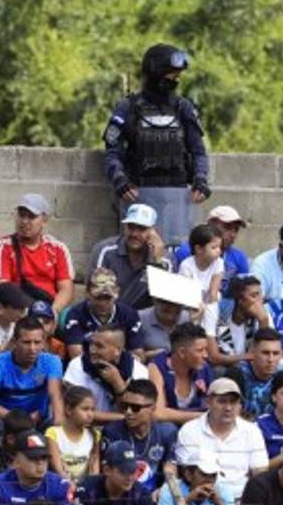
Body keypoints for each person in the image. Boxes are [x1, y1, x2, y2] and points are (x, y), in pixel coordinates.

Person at [103, 43, 209, 244]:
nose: (175, 81)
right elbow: (112, 150)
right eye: (171, 76)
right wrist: (119, 180)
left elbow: (198, 151)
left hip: (177, 199)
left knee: (176, 249)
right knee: (137, 248)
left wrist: (201, 179)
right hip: (138, 195)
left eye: (177, 77)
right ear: (156, 74)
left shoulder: (183, 108)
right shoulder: (128, 107)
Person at [174, 377, 269, 503]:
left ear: (240, 405)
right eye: (222, 401)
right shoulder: (189, 430)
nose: (228, 408)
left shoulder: (252, 431)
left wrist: (248, 503)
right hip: (201, 499)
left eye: (233, 402)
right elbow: (188, 474)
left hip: (241, 500)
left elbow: (259, 473)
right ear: (208, 402)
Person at [0, 316, 64, 434]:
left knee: (54, 414)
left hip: (38, 418)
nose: (32, 348)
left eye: (37, 342)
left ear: (44, 343)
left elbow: (55, 397)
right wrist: (22, 421)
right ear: (14, 342)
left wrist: (58, 426)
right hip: (7, 419)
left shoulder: (52, 361)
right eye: (26, 342)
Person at [0, 193, 75, 313]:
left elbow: (66, 289)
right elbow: (4, 289)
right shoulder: (4, 247)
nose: (24, 221)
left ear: (44, 220)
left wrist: (52, 312)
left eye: (31, 217)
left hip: (51, 307)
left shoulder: (58, 248)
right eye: (21, 215)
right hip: (18, 309)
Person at [88, 204, 172, 310]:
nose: (134, 234)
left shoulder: (166, 259)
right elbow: (95, 293)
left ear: (154, 232)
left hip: (144, 317)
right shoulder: (105, 250)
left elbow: (164, 303)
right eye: (131, 227)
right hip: (109, 314)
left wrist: (158, 261)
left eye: (141, 228)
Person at [74, 442, 154, 505]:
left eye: (132, 471)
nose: (130, 477)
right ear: (107, 470)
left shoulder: (142, 493)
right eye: (124, 472)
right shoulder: (87, 489)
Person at [64, 324, 147, 422]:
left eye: (99, 346)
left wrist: (118, 384)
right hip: (87, 426)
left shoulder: (138, 370)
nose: (92, 350)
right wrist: (123, 418)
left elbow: (138, 411)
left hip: (126, 429)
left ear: (117, 351)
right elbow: (76, 412)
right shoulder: (78, 365)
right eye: (91, 344)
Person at [62, 267, 144, 360]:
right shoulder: (75, 314)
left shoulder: (129, 314)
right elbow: (76, 355)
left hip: (121, 365)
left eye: (108, 298)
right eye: (98, 297)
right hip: (85, 366)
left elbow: (138, 355)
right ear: (87, 293)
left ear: (117, 293)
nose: (102, 303)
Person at [147, 322, 212, 425]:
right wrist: (204, 417)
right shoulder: (157, 367)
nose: (205, 355)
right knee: (167, 429)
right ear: (182, 352)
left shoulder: (203, 367)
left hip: (196, 426)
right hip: (170, 425)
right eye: (200, 350)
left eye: (206, 350)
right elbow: (158, 413)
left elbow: (213, 403)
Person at [177, 223, 225, 303]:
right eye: (214, 247)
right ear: (199, 249)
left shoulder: (218, 263)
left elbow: (214, 291)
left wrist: (211, 307)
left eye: (219, 247)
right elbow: (187, 293)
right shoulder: (186, 266)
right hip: (189, 301)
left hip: (208, 301)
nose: (218, 251)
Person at [0, 281, 32, 352]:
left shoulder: (15, 321)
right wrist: (14, 340)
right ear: (1, 308)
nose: (24, 312)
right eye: (19, 308)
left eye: (24, 308)